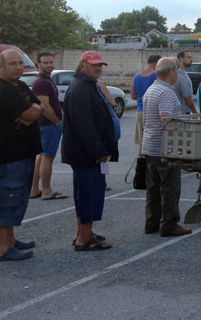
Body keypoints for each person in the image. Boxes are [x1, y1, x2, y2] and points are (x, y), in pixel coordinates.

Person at [0, 49, 44, 261]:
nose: (18, 67)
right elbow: (32, 112)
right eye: (12, 64)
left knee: (17, 199)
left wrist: (33, 111)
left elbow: (39, 107)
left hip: (22, 154)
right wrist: (31, 112)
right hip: (9, 157)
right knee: (8, 200)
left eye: (20, 63)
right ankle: (3, 248)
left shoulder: (18, 86)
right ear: (0, 67)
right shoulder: (2, 90)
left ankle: (10, 240)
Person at [62, 51, 118, 252]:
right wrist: (98, 152)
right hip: (86, 155)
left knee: (85, 194)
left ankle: (83, 233)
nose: (98, 68)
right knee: (89, 195)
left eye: (101, 65)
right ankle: (84, 239)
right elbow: (83, 126)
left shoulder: (86, 85)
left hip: (86, 154)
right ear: (82, 65)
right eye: (94, 65)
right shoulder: (80, 89)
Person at [141, 58, 191, 236]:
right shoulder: (166, 93)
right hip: (165, 148)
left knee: (153, 188)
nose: (177, 74)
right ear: (170, 73)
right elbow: (167, 121)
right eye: (176, 71)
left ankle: (152, 222)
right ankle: (169, 224)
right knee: (170, 187)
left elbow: (145, 121)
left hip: (150, 145)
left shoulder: (151, 89)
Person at [30, 51, 68, 200]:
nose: (49, 65)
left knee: (41, 156)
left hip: (47, 125)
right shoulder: (41, 82)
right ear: (38, 64)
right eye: (45, 63)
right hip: (48, 125)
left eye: (51, 62)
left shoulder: (46, 80)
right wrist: (57, 121)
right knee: (48, 157)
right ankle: (46, 190)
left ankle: (34, 189)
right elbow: (44, 106)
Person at [131, 55, 161, 151]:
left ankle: (141, 164)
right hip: (154, 113)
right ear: (157, 63)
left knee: (142, 143)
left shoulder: (136, 76)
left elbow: (133, 96)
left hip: (140, 111)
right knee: (153, 143)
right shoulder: (157, 76)